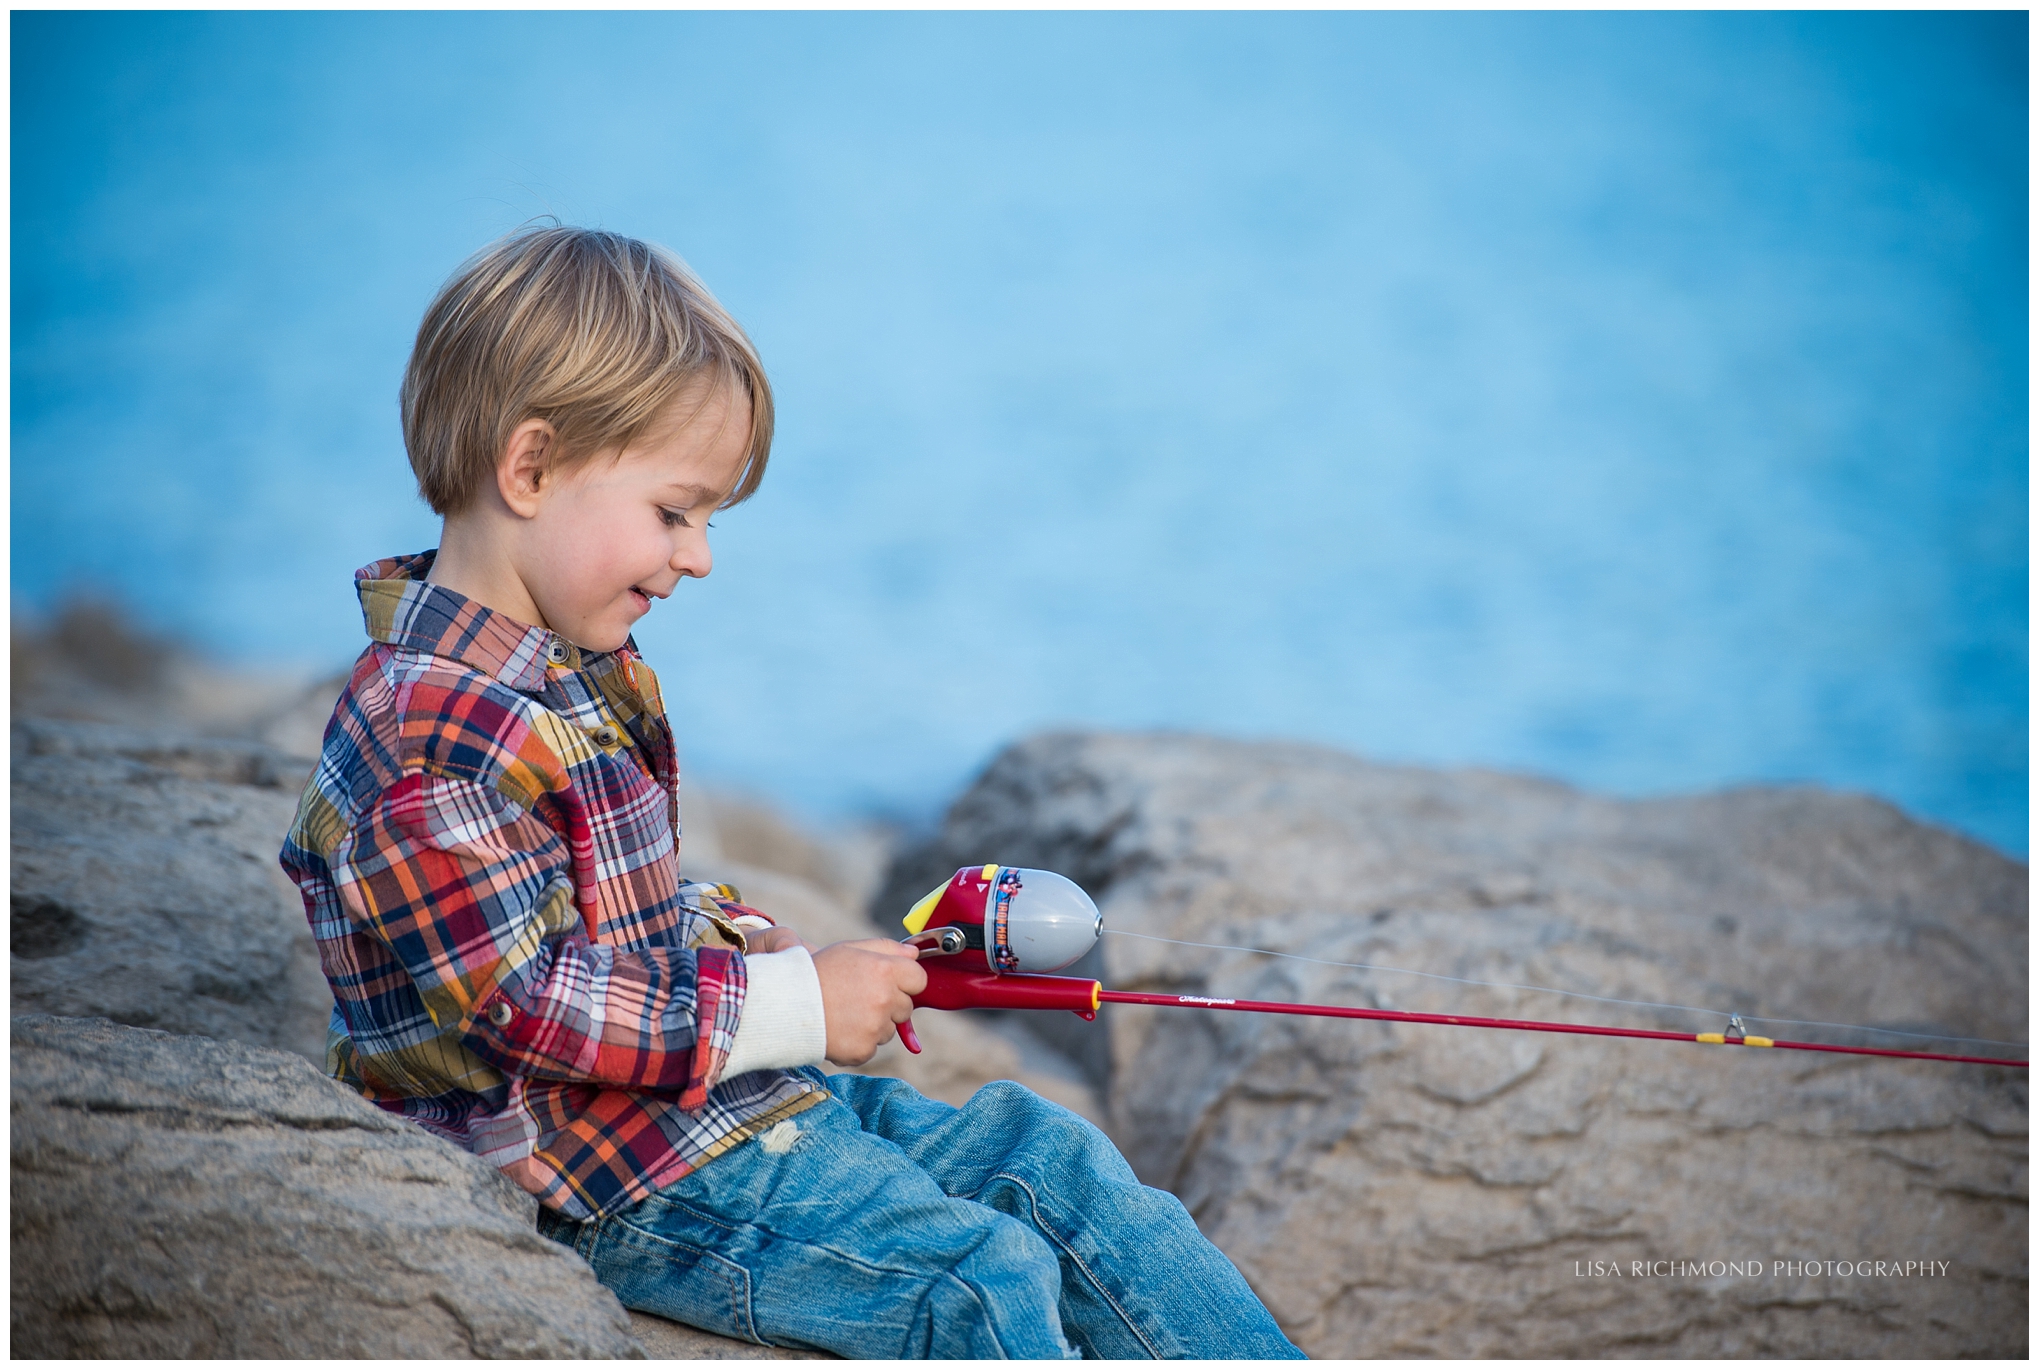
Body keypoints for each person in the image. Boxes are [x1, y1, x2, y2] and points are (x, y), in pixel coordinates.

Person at [279, 224, 1303, 1359]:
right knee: (973, 1278)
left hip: (702, 1103)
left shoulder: (553, 668)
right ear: (527, 468)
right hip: (604, 1174)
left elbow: (589, 908)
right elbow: (528, 1001)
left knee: (1045, 1161)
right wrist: (793, 1007)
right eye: (675, 511)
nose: (700, 555)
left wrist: (740, 943)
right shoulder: (433, 736)